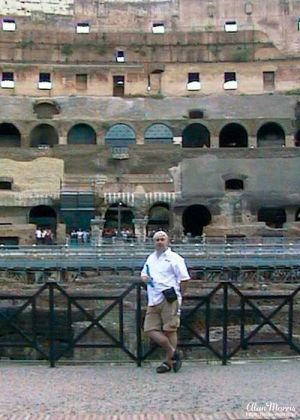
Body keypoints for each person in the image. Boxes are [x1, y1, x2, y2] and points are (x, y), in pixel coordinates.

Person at [141, 230, 190, 373]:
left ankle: (169, 362)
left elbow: (184, 278)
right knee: (149, 329)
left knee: (170, 329)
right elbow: (144, 273)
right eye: (157, 240)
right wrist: (144, 278)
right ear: (154, 242)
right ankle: (173, 352)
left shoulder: (175, 258)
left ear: (167, 241)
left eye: (162, 239)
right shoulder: (151, 258)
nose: (160, 242)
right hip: (153, 298)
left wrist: (180, 294)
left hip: (169, 298)